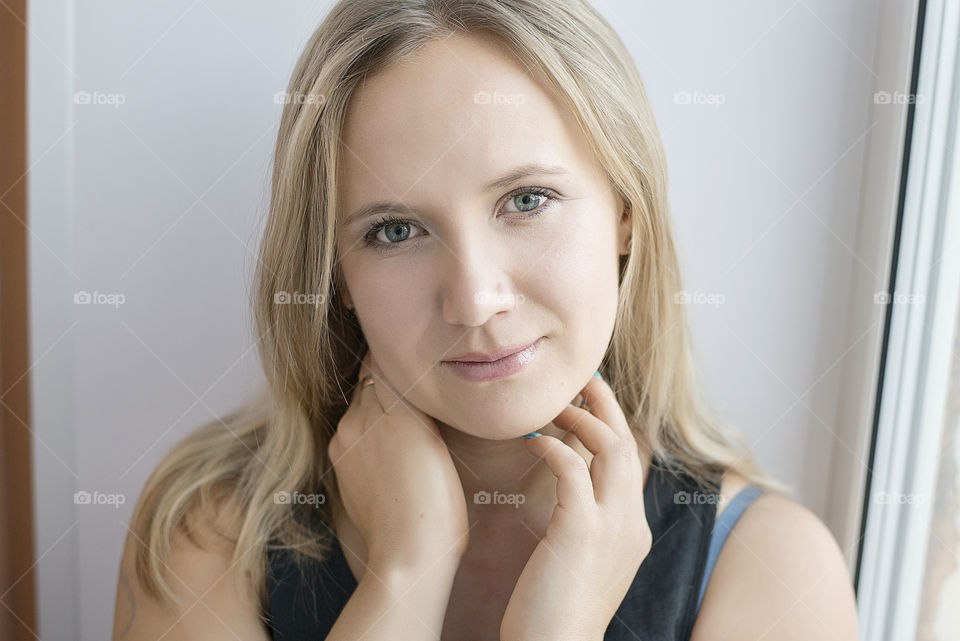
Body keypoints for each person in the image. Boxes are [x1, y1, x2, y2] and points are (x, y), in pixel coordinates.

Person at [112, 1, 859, 640]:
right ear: (336, 275)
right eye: (396, 231)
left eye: (526, 200)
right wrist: (405, 577)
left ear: (624, 217)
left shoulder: (769, 568)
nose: (473, 300)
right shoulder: (209, 529)